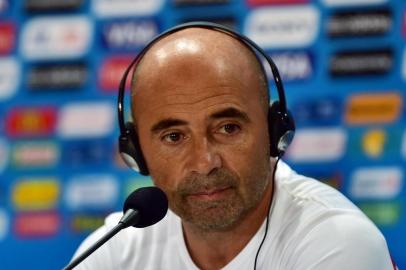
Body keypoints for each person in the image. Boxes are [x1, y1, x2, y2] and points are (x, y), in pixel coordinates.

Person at [71, 26, 395, 270]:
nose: (205, 162)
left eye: (228, 128)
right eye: (173, 137)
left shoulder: (337, 243)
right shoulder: (116, 251)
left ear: (273, 132)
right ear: (137, 152)